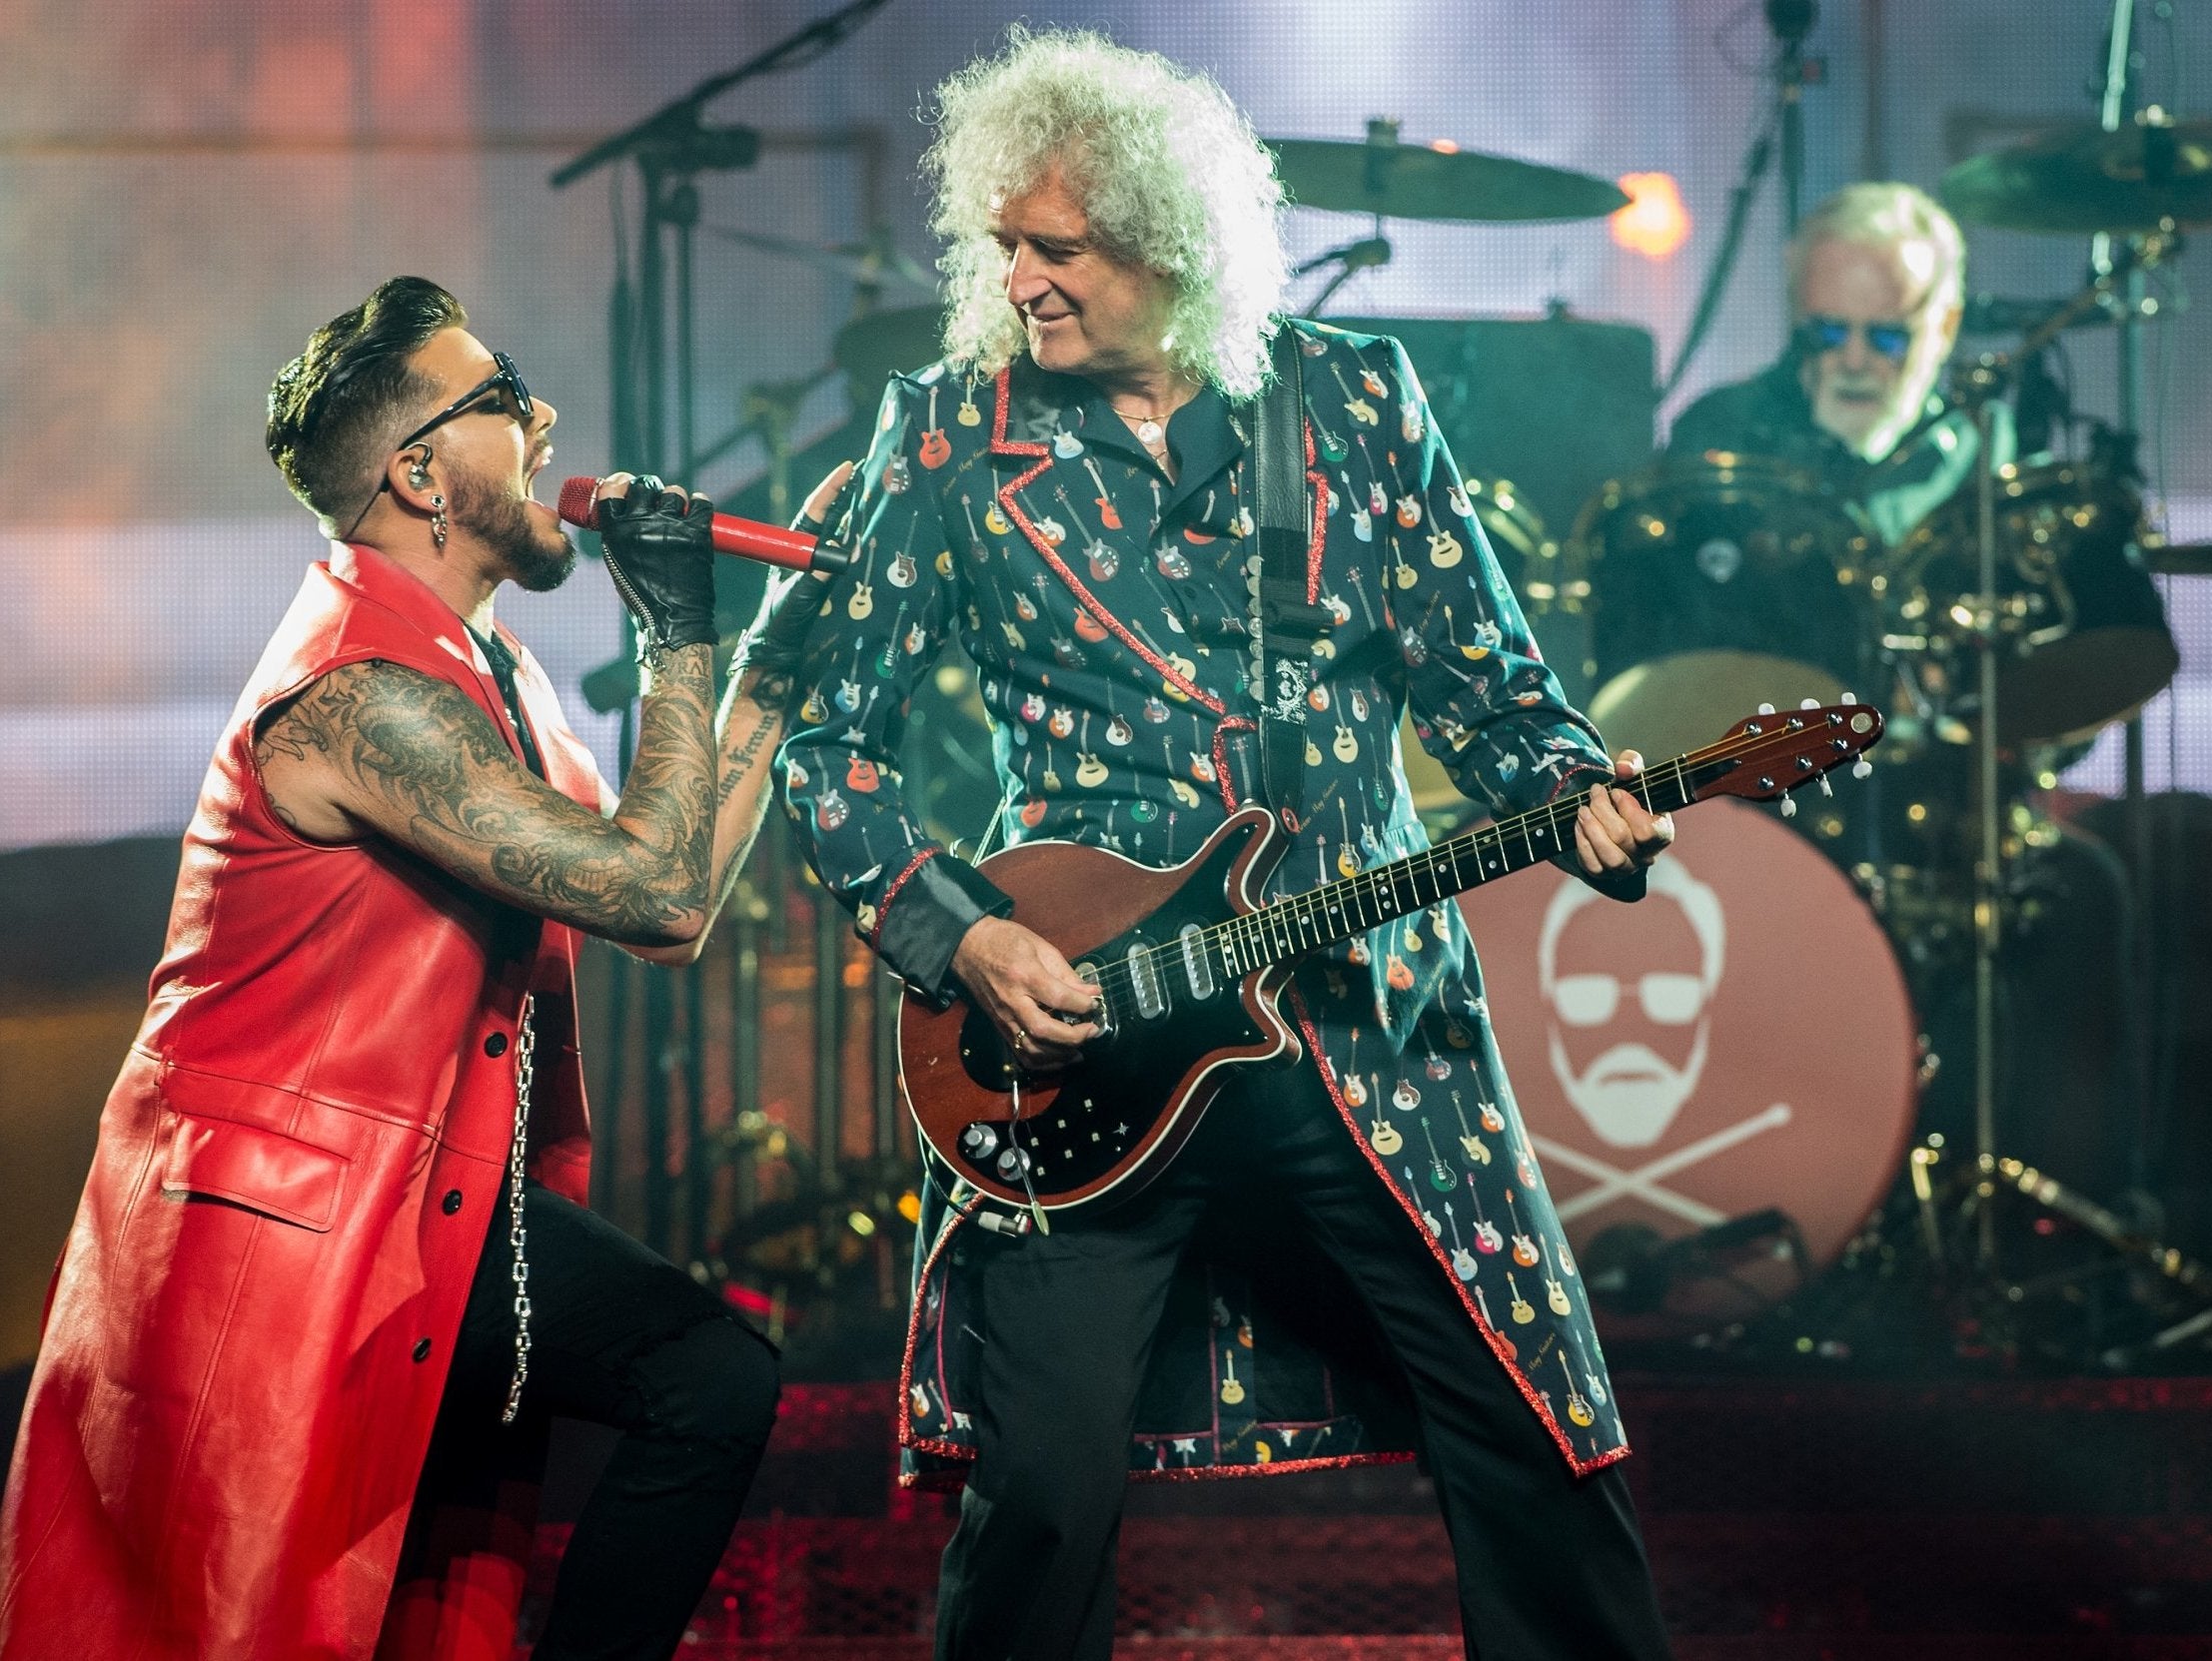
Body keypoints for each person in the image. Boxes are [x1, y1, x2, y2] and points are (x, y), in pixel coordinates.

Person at [780, 29, 1677, 1661]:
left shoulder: (1346, 396)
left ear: (1174, 245)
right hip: (1076, 1028)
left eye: (1062, 247)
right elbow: (828, 754)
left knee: (1536, 1435)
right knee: (1039, 1489)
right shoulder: (940, 437)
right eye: (1005, 244)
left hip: (1361, 1021)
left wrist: (1578, 800)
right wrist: (960, 932)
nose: (1023, 281)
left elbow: (1492, 692)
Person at [0, 276, 836, 1661]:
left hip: (408, 1199)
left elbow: (665, 895)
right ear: (419, 468)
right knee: (702, 1380)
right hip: (275, 1236)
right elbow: (655, 879)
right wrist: (678, 627)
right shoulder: (360, 695)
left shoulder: (484, 668)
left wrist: (774, 656)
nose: (544, 415)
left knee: (654, 1422)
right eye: (504, 392)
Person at [1667, 181, 1989, 544]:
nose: (1854, 361)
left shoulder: (1983, 449)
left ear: (1946, 329)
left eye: (1887, 337)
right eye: (1828, 332)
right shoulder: (1718, 432)